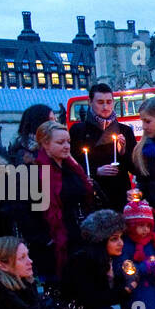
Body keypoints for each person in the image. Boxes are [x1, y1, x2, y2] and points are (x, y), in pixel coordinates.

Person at [27, 120, 94, 285]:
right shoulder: (36, 173)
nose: (66, 146)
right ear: (46, 144)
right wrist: (47, 239)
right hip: (56, 242)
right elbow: (31, 213)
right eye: (60, 142)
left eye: (68, 142)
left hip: (79, 236)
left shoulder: (72, 168)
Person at [68, 82, 136, 210]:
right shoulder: (78, 130)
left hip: (119, 195)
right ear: (90, 102)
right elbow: (72, 164)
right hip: (92, 195)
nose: (105, 106)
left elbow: (135, 168)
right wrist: (95, 171)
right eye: (100, 102)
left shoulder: (125, 130)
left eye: (109, 102)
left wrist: (123, 152)